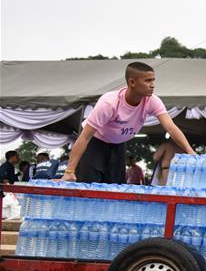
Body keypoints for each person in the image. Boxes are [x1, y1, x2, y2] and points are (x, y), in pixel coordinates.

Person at [63, 62, 195, 183]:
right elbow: (85, 136)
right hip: (95, 143)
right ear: (132, 82)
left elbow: (171, 128)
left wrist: (190, 152)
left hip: (118, 144)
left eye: (153, 80)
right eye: (148, 80)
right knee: (88, 186)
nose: (153, 85)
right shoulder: (110, 103)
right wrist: (69, 171)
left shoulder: (152, 101)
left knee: (115, 188)